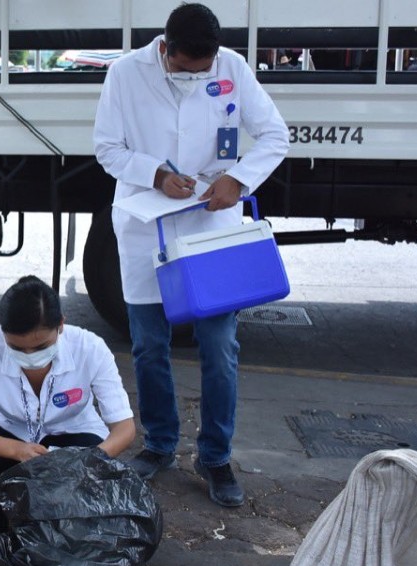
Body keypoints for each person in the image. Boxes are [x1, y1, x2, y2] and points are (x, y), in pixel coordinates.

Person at [93, 3, 289, 507]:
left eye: (205, 69)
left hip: (211, 226)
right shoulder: (125, 73)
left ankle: (215, 455)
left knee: (220, 349)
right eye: (185, 68)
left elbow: (274, 135)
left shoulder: (233, 67)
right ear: (166, 48)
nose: (196, 75)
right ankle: (159, 444)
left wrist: (237, 179)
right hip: (145, 225)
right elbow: (107, 148)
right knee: (148, 346)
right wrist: (156, 173)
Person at [0, 276, 136, 534]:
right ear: (2, 331)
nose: (30, 357)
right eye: (16, 348)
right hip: (7, 430)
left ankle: (59, 526)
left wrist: (86, 462)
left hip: (71, 432)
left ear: (61, 325)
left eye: (41, 346)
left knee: (104, 474)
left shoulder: (91, 348)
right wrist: (16, 450)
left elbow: (124, 428)